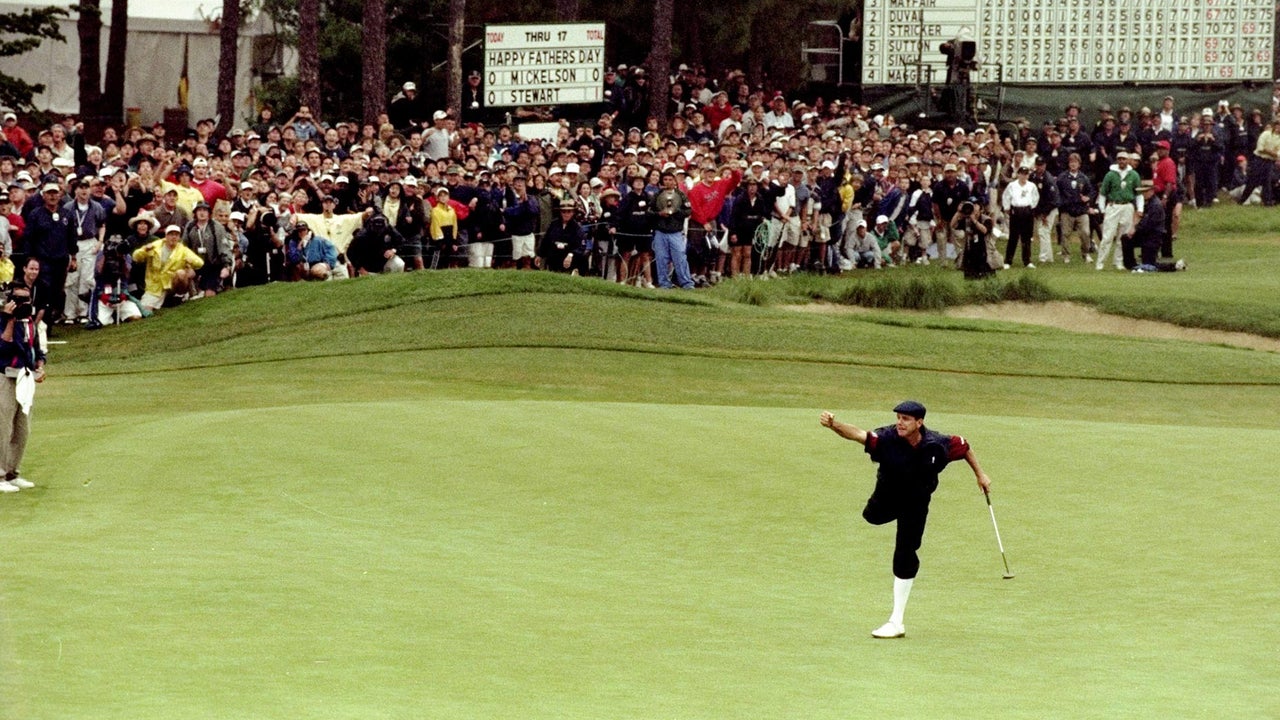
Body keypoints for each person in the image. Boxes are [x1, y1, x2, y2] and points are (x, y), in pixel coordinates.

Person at [819, 401, 992, 639]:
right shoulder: (886, 439)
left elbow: (964, 446)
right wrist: (833, 425)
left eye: (906, 419)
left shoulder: (937, 444)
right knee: (872, 517)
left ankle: (896, 621)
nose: (900, 422)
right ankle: (896, 514)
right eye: (898, 418)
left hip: (916, 503)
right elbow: (857, 434)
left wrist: (981, 475)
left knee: (906, 552)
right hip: (887, 498)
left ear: (919, 423)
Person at [0, 259, 46, 493]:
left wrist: (40, 363)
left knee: (22, 427)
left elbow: (36, 347)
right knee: (3, 425)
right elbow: (3, 348)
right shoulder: (4, 320)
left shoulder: (30, 322)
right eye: (18, 300)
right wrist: (8, 319)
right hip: (6, 376)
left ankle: (12, 471)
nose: (23, 304)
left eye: (26, 300)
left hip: (25, 377)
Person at [132, 225, 204, 310]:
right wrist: (144, 250)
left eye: (176, 235)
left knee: (181, 273)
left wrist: (191, 261)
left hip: (172, 283)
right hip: (156, 285)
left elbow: (200, 263)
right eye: (171, 234)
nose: (174, 237)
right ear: (166, 236)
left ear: (179, 237)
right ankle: (166, 301)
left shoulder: (183, 250)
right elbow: (136, 257)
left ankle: (180, 295)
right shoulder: (155, 246)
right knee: (145, 309)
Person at [649, 170, 693, 289]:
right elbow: (649, 211)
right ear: (662, 182)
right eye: (665, 180)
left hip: (676, 231)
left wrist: (676, 212)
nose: (668, 182)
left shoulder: (681, 195)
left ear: (674, 181)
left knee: (680, 257)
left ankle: (686, 283)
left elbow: (688, 211)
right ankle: (664, 283)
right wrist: (659, 214)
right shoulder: (657, 195)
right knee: (661, 258)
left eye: (670, 180)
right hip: (660, 231)